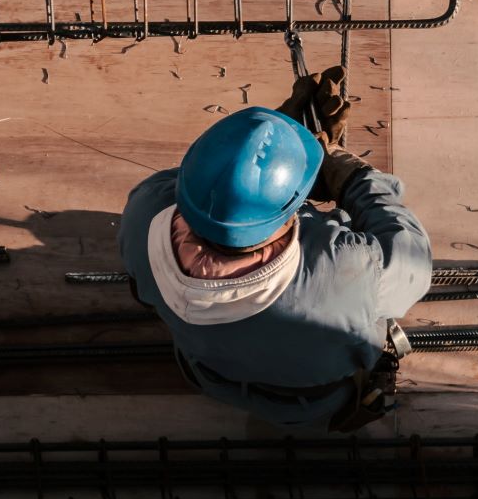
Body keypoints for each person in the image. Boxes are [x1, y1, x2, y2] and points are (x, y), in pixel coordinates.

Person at [117, 70, 432, 430]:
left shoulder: (144, 212)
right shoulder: (346, 269)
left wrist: (278, 136)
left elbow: (208, 185)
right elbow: (414, 260)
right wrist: (356, 181)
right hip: (315, 401)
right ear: (290, 208)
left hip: (209, 374)